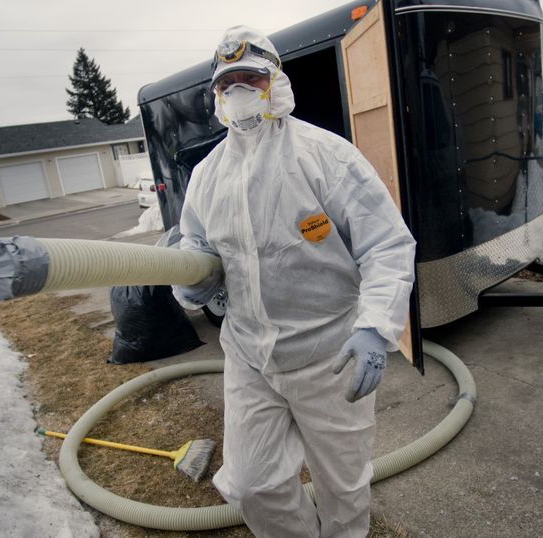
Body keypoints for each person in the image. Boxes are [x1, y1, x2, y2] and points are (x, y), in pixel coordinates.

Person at [172, 25, 416, 538]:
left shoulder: (326, 155)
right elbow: (195, 253)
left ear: (275, 81)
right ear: (216, 96)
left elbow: (387, 245)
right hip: (250, 357)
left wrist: (375, 326)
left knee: (343, 489)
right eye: (227, 83)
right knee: (250, 485)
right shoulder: (206, 176)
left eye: (250, 78)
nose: (238, 91)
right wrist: (191, 284)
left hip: (330, 354)